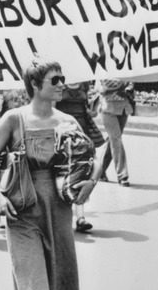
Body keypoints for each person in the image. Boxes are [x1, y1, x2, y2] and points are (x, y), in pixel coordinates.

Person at [0, 58, 99, 290]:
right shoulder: (14, 119)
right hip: (22, 208)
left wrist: (91, 182)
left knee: (61, 280)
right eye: (55, 80)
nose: (61, 84)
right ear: (34, 84)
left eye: (63, 79)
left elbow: (89, 158)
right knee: (33, 282)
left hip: (59, 209)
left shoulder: (68, 121)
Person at [56, 80, 105, 233]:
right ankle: (62, 216)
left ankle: (80, 217)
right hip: (63, 129)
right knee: (62, 171)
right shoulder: (58, 83)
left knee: (81, 169)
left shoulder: (83, 84)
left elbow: (88, 108)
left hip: (80, 128)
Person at [96, 79, 133, 186]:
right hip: (107, 109)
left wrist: (116, 87)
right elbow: (100, 89)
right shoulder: (102, 70)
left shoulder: (124, 70)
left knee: (113, 140)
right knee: (116, 139)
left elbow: (130, 85)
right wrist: (119, 87)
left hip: (123, 109)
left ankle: (99, 171)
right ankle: (122, 175)